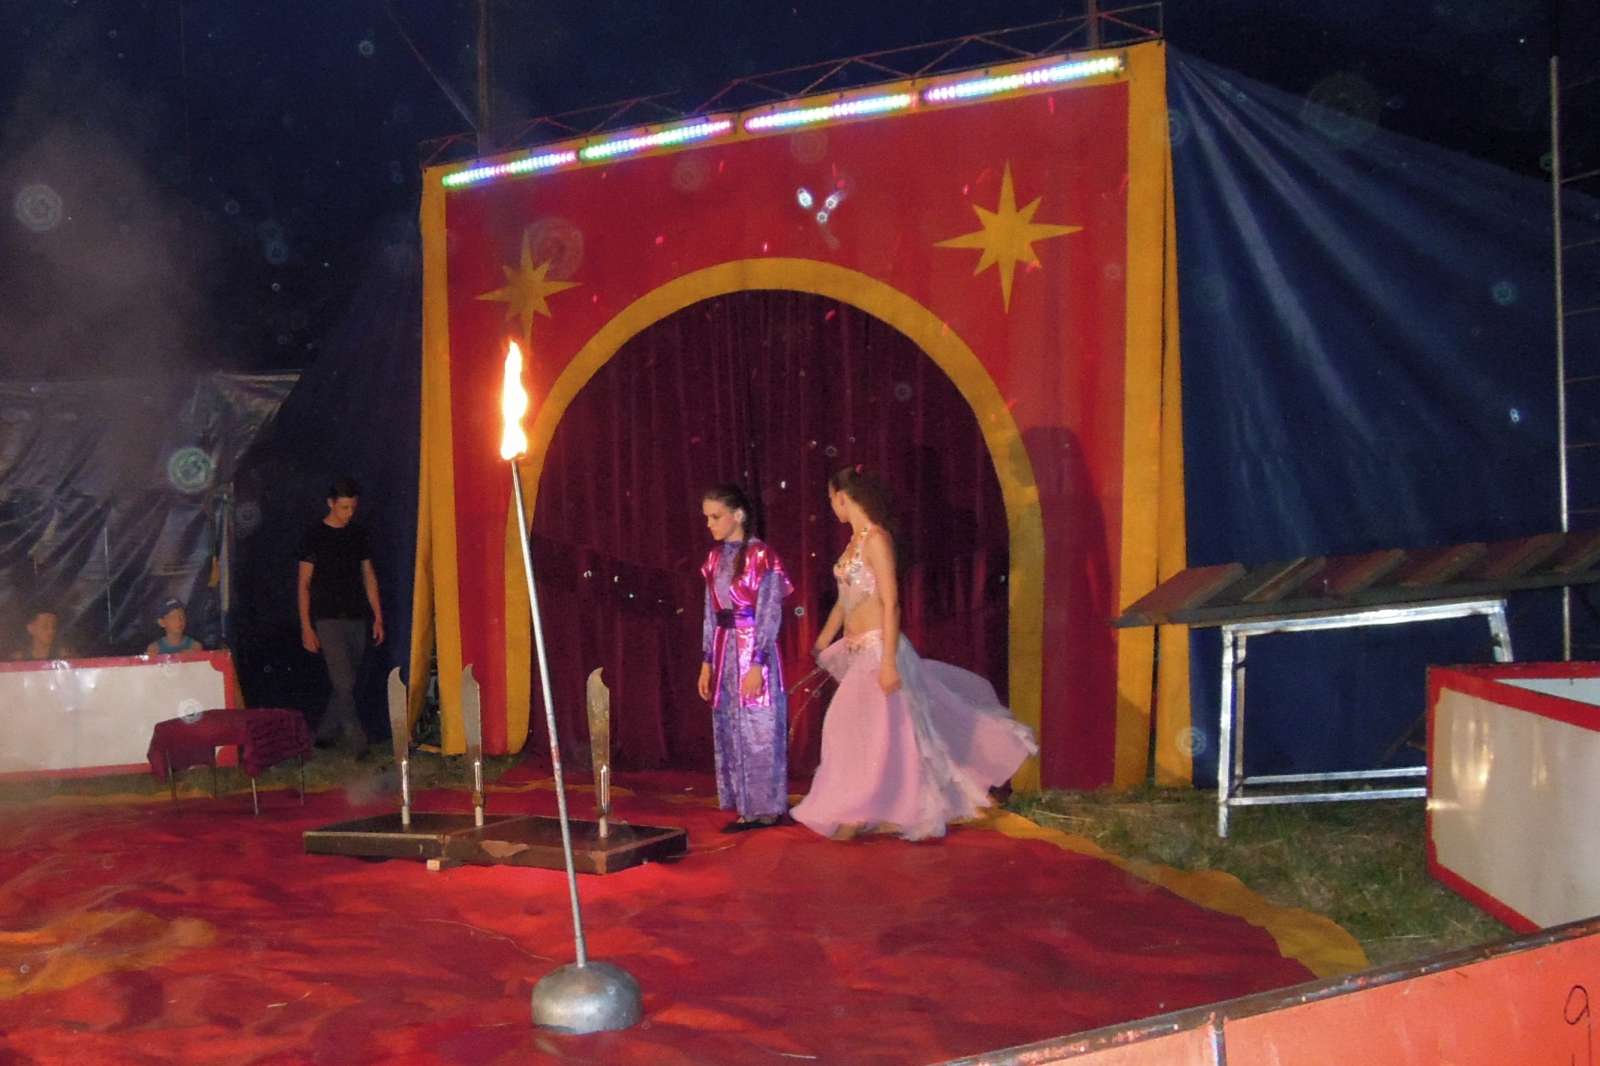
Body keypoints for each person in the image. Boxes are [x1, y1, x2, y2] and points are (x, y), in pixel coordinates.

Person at [791, 466, 1037, 841]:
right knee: (870, 733)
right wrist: (823, 639)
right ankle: (872, 807)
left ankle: (860, 810)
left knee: (858, 727)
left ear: (842, 497)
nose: (831, 506)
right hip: (858, 651)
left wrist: (889, 663)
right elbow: (844, 600)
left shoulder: (877, 540)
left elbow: (891, 603)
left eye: (830, 499)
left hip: (879, 649)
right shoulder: (852, 544)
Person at [698, 484, 794, 832]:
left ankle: (764, 808)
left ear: (737, 515)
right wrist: (707, 661)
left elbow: (769, 612)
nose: (710, 524)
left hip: (752, 650)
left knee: (758, 726)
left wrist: (758, 663)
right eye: (707, 517)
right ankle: (744, 805)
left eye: (716, 516)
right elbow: (710, 612)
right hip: (724, 650)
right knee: (731, 724)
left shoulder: (762, 556)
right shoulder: (714, 559)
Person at [298, 477, 384, 757]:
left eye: (352, 508)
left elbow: (368, 576)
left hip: (356, 615)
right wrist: (306, 626)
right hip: (327, 617)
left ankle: (324, 733)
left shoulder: (357, 534)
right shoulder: (315, 535)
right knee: (343, 681)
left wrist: (378, 616)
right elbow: (303, 584)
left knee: (346, 682)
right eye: (344, 508)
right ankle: (357, 741)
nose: (349, 513)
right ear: (331, 504)